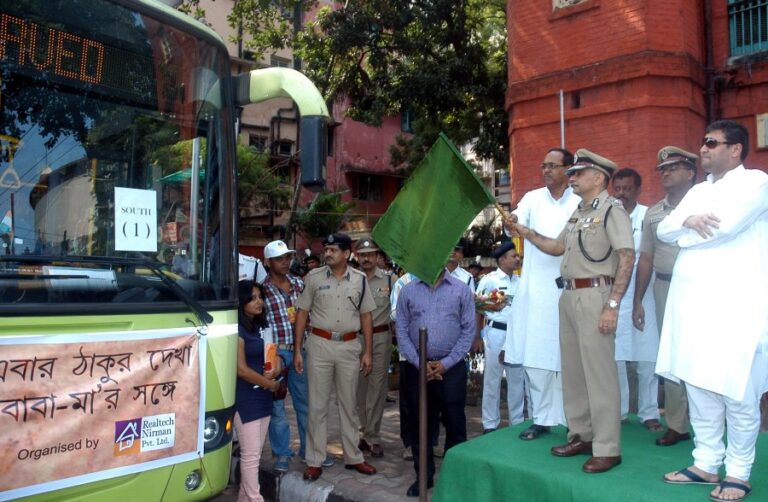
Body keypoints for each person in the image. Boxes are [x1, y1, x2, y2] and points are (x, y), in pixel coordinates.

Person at [657, 120, 768, 502]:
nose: (702, 149)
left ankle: (738, 471)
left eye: (711, 143)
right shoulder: (698, 191)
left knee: (737, 392)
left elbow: (725, 228)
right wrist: (687, 221)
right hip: (693, 306)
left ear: (735, 149)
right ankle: (705, 462)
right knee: (699, 387)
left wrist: (683, 233)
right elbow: (662, 230)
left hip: (738, 306)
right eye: (703, 142)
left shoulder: (756, 183)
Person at [508, 149, 634, 474]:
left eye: (578, 173)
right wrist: (526, 232)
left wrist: (613, 305)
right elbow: (557, 246)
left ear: (599, 178)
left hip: (596, 296)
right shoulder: (580, 211)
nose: (572, 177)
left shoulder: (612, 210)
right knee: (575, 373)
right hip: (568, 295)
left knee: (600, 376)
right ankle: (582, 435)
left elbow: (627, 257)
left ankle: (608, 448)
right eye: (573, 172)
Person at [502, 147, 579, 440]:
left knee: (568, 358)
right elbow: (516, 219)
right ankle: (543, 418)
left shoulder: (579, 200)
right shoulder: (533, 198)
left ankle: (574, 418)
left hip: (569, 288)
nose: (546, 171)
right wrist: (511, 221)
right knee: (536, 356)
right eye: (543, 166)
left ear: (568, 170)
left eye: (553, 166)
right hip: (535, 289)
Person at [293, 232, 377, 481]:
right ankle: (314, 460)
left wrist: (369, 352)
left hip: (350, 346)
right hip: (319, 345)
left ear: (347, 253)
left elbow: (366, 317)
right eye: (326, 249)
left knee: (348, 405)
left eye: (333, 250)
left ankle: (353, 457)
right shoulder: (314, 278)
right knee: (317, 406)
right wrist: (298, 349)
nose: (327, 253)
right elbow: (301, 313)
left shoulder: (360, 280)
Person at [632, 146, 697, 447]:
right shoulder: (654, 213)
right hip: (665, 287)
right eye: (662, 169)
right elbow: (646, 258)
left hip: (703, 288)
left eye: (673, 167)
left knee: (705, 351)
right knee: (670, 353)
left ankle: (712, 419)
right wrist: (636, 301)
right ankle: (678, 424)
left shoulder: (707, 203)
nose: (666, 172)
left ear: (691, 172)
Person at [396, 268, 476, 497]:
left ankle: (456, 477)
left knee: (455, 422)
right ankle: (423, 476)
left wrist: (447, 363)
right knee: (420, 422)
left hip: (451, 368)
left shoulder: (461, 289)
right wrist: (420, 363)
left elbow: (469, 329)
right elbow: (400, 330)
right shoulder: (408, 291)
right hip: (417, 368)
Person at [262, 240, 321, 472]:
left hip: (300, 349)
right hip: (275, 351)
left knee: (304, 401)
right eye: (279, 259)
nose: (285, 262)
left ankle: (309, 451)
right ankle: (282, 453)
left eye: (287, 257)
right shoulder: (262, 290)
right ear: (268, 262)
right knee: (277, 406)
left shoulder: (299, 284)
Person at [611, 168, 661, 430]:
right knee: (616, 357)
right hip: (615, 296)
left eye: (627, 189)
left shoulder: (649, 216)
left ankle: (649, 412)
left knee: (647, 356)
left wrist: (639, 299)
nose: (621, 194)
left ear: (638, 190)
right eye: (617, 189)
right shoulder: (608, 217)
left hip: (646, 295)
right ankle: (618, 411)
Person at [234, 280, 282, 502]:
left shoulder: (260, 327)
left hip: (262, 396)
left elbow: (275, 355)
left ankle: (245, 498)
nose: (259, 301)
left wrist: (277, 368)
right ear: (241, 301)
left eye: (260, 296)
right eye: (252, 298)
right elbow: (241, 370)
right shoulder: (236, 329)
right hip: (246, 398)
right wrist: (270, 384)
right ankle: (255, 499)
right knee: (251, 456)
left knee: (254, 453)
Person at [475, 242, 524, 433]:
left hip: (516, 334)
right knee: (492, 378)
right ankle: (490, 423)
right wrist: (476, 336)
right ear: (502, 259)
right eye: (514, 256)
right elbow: (477, 307)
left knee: (516, 378)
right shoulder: (489, 280)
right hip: (495, 333)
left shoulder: (521, 281)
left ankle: (517, 421)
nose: (517, 259)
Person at [354, 236, 393, 458]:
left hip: (380, 338)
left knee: (377, 388)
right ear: (357, 257)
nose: (367, 259)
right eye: (363, 255)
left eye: (371, 254)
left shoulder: (390, 281)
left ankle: (373, 436)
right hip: (356, 339)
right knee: (359, 388)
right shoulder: (351, 280)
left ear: (377, 256)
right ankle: (360, 432)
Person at [390, 271, 416, 461]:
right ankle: (409, 442)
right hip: (409, 352)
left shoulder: (438, 278)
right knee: (409, 401)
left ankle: (429, 441)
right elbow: (394, 313)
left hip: (437, 353)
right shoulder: (403, 282)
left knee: (434, 399)